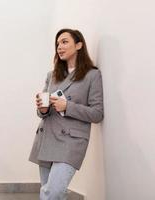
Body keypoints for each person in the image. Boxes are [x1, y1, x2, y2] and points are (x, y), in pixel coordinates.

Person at [29, 28, 104, 200]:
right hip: (47, 137)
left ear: (79, 45)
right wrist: (43, 109)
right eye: (57, 44)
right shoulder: (52, 75)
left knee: (52, 192)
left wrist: (68, 106)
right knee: (51, 193)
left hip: (71, 141)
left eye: (64, 42)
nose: (59, 47)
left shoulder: (92, 75)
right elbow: (43, 112)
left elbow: (97, 113)